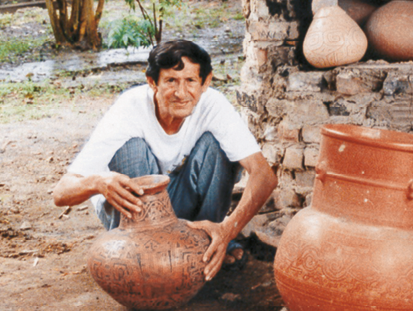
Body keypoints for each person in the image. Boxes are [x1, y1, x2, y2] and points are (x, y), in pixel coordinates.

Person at [52, 39, 277, 282]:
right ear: (152, 83)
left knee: (217, 147)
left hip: (184, 208)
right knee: (132, 148)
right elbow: (61, 193)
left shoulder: (213, 105)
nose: (181, 93)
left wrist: (227, 229)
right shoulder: (130, 108)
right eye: (171, 81)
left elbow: (264, 175)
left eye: (190, 81)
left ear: (206, 82)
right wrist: (98, 181)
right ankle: (141, 252)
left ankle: (207, 243)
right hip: (136, 216)